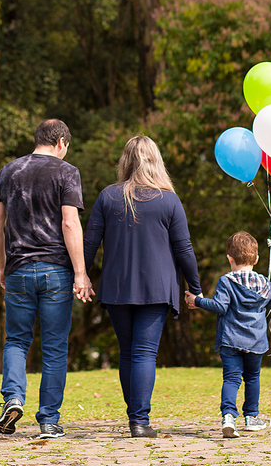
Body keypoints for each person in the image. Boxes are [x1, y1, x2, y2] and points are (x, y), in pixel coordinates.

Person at [83, 136, 202, 439]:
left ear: (125, 161)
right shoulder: (169, 200)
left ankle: (134, 415)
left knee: (127, 353)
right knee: (145, 353)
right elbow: (184, 249)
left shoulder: (108, 197)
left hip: (117, 286)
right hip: (156, 287)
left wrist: (80, 275)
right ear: (156, 161)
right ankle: (139, 420)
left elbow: (90, 243)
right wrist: (195, 289)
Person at [0, 119, 94, 440]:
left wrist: (2, 265)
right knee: (54, 347)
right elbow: (70, 224)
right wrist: (80, 272)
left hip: (18, 269)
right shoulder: (66, 172)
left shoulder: (8, 171)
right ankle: (48, 421)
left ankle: (14, 398)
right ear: (61, 142)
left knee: (17, 340)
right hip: (56, 271)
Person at [185, 231, 271, 438]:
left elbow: (220, 307)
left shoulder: (226, 281)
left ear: (229, 258)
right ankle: (251, 417)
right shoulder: (265, 284)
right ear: (256, 259)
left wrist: (197, 301)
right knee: (252, 377)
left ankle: (229, 417)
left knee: (231, 379)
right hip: (255, 342)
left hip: (230, 340)